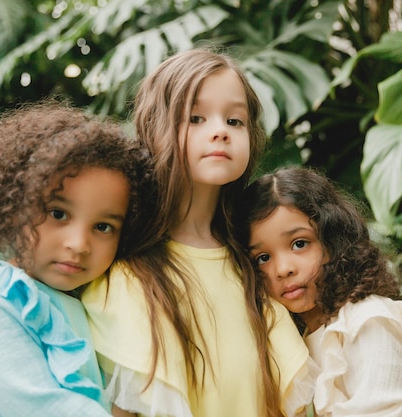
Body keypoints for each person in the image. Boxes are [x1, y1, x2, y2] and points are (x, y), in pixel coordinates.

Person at [82, 49, 315, 417]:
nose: (220, 130)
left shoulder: (257, 265)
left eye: (235, 121)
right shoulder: (125, 274)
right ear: (156, 129)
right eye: (196, 118)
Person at [0, 99, 148, 416]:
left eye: (103, 226)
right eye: (58, 213)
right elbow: (41, 405)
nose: (78, 244)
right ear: (12, 207)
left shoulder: (82, 301)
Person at [238, 166, 402, 416]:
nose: (283, 269)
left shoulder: (369, 320)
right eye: (263, 257)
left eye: (299, 244)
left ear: (333, 240)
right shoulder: (294, 338)